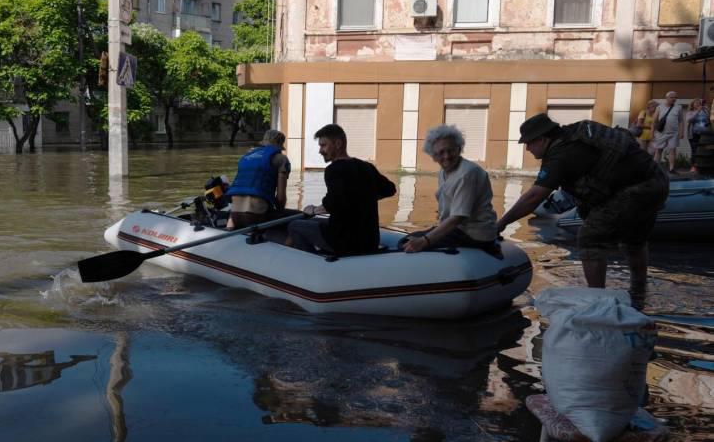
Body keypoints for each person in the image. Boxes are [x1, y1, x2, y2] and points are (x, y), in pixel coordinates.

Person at [496, 114, 669, 308]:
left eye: (529, 143)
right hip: (656, 180)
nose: (527, 149)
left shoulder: (560, 156)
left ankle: (597, 302)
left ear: (542, 139)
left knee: (590, 238)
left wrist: (502, 223)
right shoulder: (575, 133)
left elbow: (534, 197)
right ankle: (639, 293)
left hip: (637, 189)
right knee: (634, 239)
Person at [286, 123, 396, 255]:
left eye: (323, 145)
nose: (320, 151)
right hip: (370, 240)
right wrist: (364, 198)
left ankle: (314, 262)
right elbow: (390, 189)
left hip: (344, 241)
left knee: (294, 225)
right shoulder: (367, 167)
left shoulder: (333, 170)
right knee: (313, 221)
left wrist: (313, 209)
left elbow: (333, 204)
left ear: (338, 144)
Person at [402, 125, 499, 254]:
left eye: (451, 150)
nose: (446, 156)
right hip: (458, 230)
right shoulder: (444, 172)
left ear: (459, 149)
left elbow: (458, 217)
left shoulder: (467, 173)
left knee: (404, 244)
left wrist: (424, 240)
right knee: (406, 240)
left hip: (475, 235)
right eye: (441, 152)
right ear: (434, 156)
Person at [225, 129, 290, 229]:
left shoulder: (246, 157)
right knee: (296, 219)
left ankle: (229, 228)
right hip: (255, 217)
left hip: (234, 216)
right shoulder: (281, 159)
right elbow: (281, 198)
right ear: (280, 145)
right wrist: (280, 214)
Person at [648, 91, 682, 171]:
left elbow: (681, 121)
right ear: (666, 98)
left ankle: (672, 168)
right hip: (661, 133)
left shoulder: (679, 107)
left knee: (672, 150)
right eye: (672, 97)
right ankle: (655, 169)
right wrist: (652, 133)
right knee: (659, 150)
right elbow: (654, 121)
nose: (674, 99)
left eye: (675, 97)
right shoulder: (659, 107)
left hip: (674, 133)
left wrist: (681, 132)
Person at [683, 97, 711, 173]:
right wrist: (697, 111)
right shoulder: (690, 112)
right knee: (694, 150)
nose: (698, 104)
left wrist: (708, 110)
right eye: (696, 103)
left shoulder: (704, 112)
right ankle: (693, 166)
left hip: (704, 135)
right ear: (692, 105)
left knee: (705, 151)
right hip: (694, 134)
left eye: (699, 103)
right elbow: (690, 120)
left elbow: (709, 120)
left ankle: (703, 166)